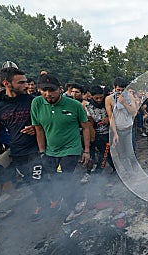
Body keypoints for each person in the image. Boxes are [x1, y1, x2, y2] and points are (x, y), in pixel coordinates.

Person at [31, 73, 90, 225]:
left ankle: (77, 204)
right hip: (50, 150)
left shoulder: (75, 105)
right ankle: (63, 198)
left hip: (71, 149)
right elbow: (38, 129)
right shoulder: (36, 103)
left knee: (63, 178)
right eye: (44, 90)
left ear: (61, 89)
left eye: (52, 90)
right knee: (54, 179)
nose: (48, 94)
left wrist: (87, 151)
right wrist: (42, 151)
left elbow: (85, 127)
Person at [0, 67, 39, 224]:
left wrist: (36, 128)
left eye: (26, 81)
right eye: (21, 82)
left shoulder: (33, 100)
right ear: (7, 83)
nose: (27, 85)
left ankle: (46, 205)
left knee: (38, 180)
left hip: (32, 149)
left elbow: (46, 122)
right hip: (9, 150)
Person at [105, 76, 138, 177]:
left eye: (122, 90)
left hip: (128, 129)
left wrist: (124, 102)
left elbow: (134, 112)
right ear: (114, 87)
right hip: (118, 130)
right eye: (118, 90)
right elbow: (111, 117)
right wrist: (114, 133)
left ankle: (137, 171)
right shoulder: (109, 99)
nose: (120, 92)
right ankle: (129, 173)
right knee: (122, 155)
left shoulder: (129, 96)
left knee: (131, 153)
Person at [85, 85, 114, 174]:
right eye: (96, 98)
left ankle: (99, 172)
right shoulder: (88, 106)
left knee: (104, 154)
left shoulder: (107, 102)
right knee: (94, 155)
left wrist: (108, 120)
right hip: (93, 134)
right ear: (92, 96)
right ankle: (89, 172)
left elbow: (114, 116)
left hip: (106, 133)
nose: (99, 100)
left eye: (101, 97)